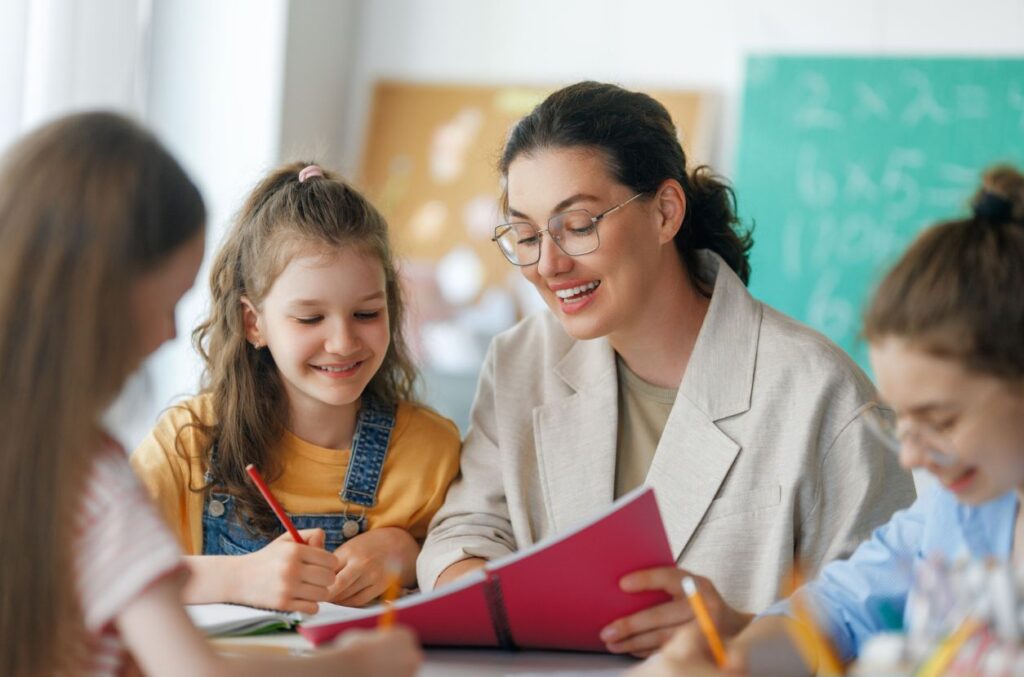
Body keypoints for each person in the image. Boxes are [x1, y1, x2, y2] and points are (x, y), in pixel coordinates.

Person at [417, 81, 915, 656]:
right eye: (525, 235)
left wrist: (737, 630)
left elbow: (897, 625)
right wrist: (497, 605)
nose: (548, 264)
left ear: (665, 212)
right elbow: (467, 528)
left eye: (577, 225)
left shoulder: (820, 393)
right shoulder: (520, 360)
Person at [0, 111, 420, 676]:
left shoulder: (44, 462)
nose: (172, 332)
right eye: (169, 300)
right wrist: (358, 667)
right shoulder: (91, 480)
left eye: (367, 311)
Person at [630, 164, 1024, 675]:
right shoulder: (957, 514)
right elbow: (832, 616)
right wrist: (742, 664)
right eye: (901, 421)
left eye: (942, 420)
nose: (911, 456)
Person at [131, 161, 461, 612]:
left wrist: (407, 555)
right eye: (310, 318)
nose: (343, 343)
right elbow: (99, 574)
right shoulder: (188, 442)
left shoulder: (432, 451)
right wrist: (239, 578)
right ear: (254, 323)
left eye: (367, 314)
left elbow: (472, 569)